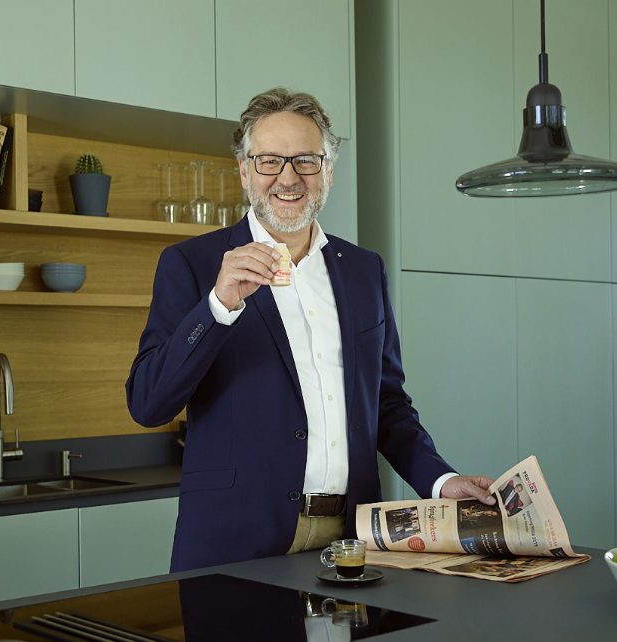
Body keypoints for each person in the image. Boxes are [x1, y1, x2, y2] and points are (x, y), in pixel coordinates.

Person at [126, 87, 495, 572]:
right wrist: (217, 306)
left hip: (354, 541)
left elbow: (387, 404)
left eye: (305, 160)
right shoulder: (191, 265)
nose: (287, 177)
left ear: (328, 172)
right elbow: (148, 404)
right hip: (236, 541)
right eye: (268, 161)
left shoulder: (364, 270)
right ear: (244, 171)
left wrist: (442, 481)